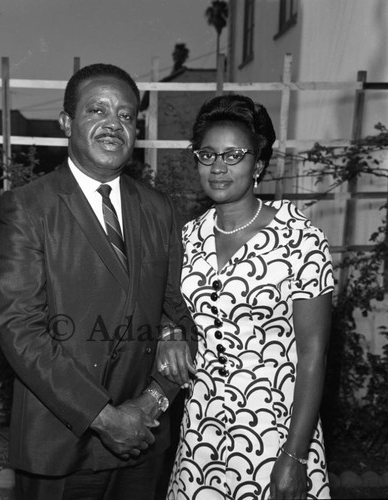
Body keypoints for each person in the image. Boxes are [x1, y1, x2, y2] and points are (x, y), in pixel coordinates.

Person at [0, 63, 195, 500]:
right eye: (96, 110)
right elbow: (19, 328)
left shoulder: (160, 209)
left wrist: (150, 404)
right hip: (61, 443)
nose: (112, 124)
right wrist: (105, 417)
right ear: (66, 122)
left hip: (142, 442)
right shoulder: (29, 208)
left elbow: (177, 313)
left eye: (125, 115)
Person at [157, 94, 335, 499]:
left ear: (258, 165)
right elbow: (166, 310)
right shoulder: (186, 239)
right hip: (201, 434)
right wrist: (169, 334)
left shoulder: (300, 238)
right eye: (207, 154)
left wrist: (294, 455)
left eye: (234, 155)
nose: (218, 167)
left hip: (275, 435)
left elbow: (313, 353)